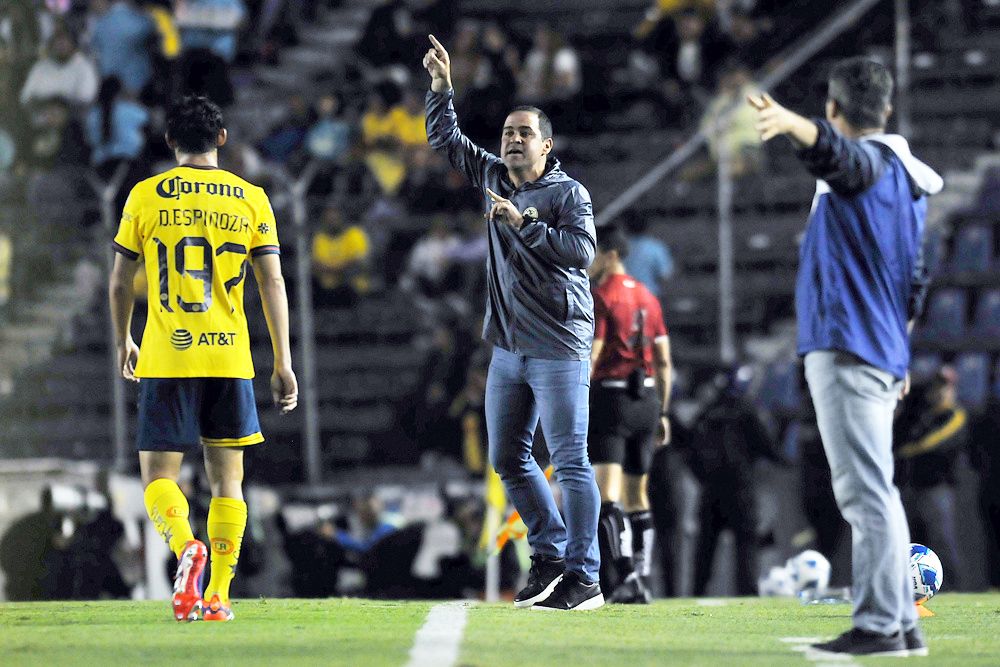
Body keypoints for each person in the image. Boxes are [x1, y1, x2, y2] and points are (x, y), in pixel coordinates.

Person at [749, 56, 942, 658]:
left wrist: (793, 124)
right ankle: (901, 625)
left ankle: (880, 626)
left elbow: (840, 159)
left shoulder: (869, 166)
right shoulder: (909, 180)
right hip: (879, 347)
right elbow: (916, 280)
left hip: (849, 343)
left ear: (834, 109)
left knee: (865, 495)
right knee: (876, 490)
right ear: (886, 108)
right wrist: (901, 349)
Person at [423, 34, 603, 610]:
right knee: (506, 457)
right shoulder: (495, 176)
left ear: (547, 145)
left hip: (558, 344)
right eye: (507, 133)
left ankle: (586, 576)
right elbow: (446, 141)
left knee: (570, 460)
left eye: (524, 133)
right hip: (508, 348)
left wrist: (523, 222)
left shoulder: (569, 193)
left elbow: (581, 253)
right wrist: (442, 89)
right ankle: (550, 557)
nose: (512, 140)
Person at [108, 95, 298, 622]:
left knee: (158, 477)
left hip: (167, 354)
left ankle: (185, 546)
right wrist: (282, 360)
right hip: (229, 356)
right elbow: (272, 281)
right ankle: (216, 594)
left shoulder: (146, 196)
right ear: (222, 139)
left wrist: (125, 336)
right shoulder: (251, 198)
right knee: (227, 481)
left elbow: (121, 279)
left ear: (170, 142)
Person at [587, 225, 672, 604]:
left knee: (608, 496)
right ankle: (643, 573)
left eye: (593, 252)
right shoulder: (648, 298)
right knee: (638, 495)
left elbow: (593, 353)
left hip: (612, 398)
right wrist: (664, 413)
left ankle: (622, 577)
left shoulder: (602, 297)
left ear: (611, 255)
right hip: (649, 400)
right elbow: (665, 360)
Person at [685, 367, 782, 596]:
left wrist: (703, 477)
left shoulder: (707, 413)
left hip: (711, 489)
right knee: (746, 546)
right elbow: (768, 449)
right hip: (741, 488)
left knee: (705, 548)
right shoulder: (747, 412)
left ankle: (696, 593)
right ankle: (747, 595)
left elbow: (689, 449)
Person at [893, 365, 966, 590]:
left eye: (945, 387)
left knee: (942, 541)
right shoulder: (918, 413)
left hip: (937, 488)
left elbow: (931, 444)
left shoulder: (954, 414)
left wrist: (907, 450)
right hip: (910, 486)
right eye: (936, 387)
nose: (939, 392)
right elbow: (897, 436)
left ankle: (954, 590)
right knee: (910, 544)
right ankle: (910, 590)